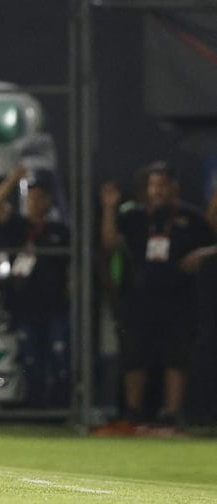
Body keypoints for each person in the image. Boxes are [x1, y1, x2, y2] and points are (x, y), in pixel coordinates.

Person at [100, 161, 215, 429]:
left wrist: (203, 253)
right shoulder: (134, 216)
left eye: (162, 185)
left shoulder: (192, 217)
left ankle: (171, 414)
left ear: (174, 187)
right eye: (153, 185)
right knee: (134, 355)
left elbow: (213, 243)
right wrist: (108, 207)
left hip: (179, 299)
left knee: (176, 356)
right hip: (139, 300)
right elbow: (108, 242)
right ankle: (133, 411)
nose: (157, 191)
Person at [0, 165, 70, 408]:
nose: (35, 202)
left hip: (55, 305)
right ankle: (33, 404)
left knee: (58, 354)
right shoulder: (18, 226)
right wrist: (13, 178)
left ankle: (59, 406)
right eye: (32, 197)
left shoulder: (60, 231)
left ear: (49, 202)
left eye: (41, 197)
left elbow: (71, 267)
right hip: (25, 304)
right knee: (30, 356)